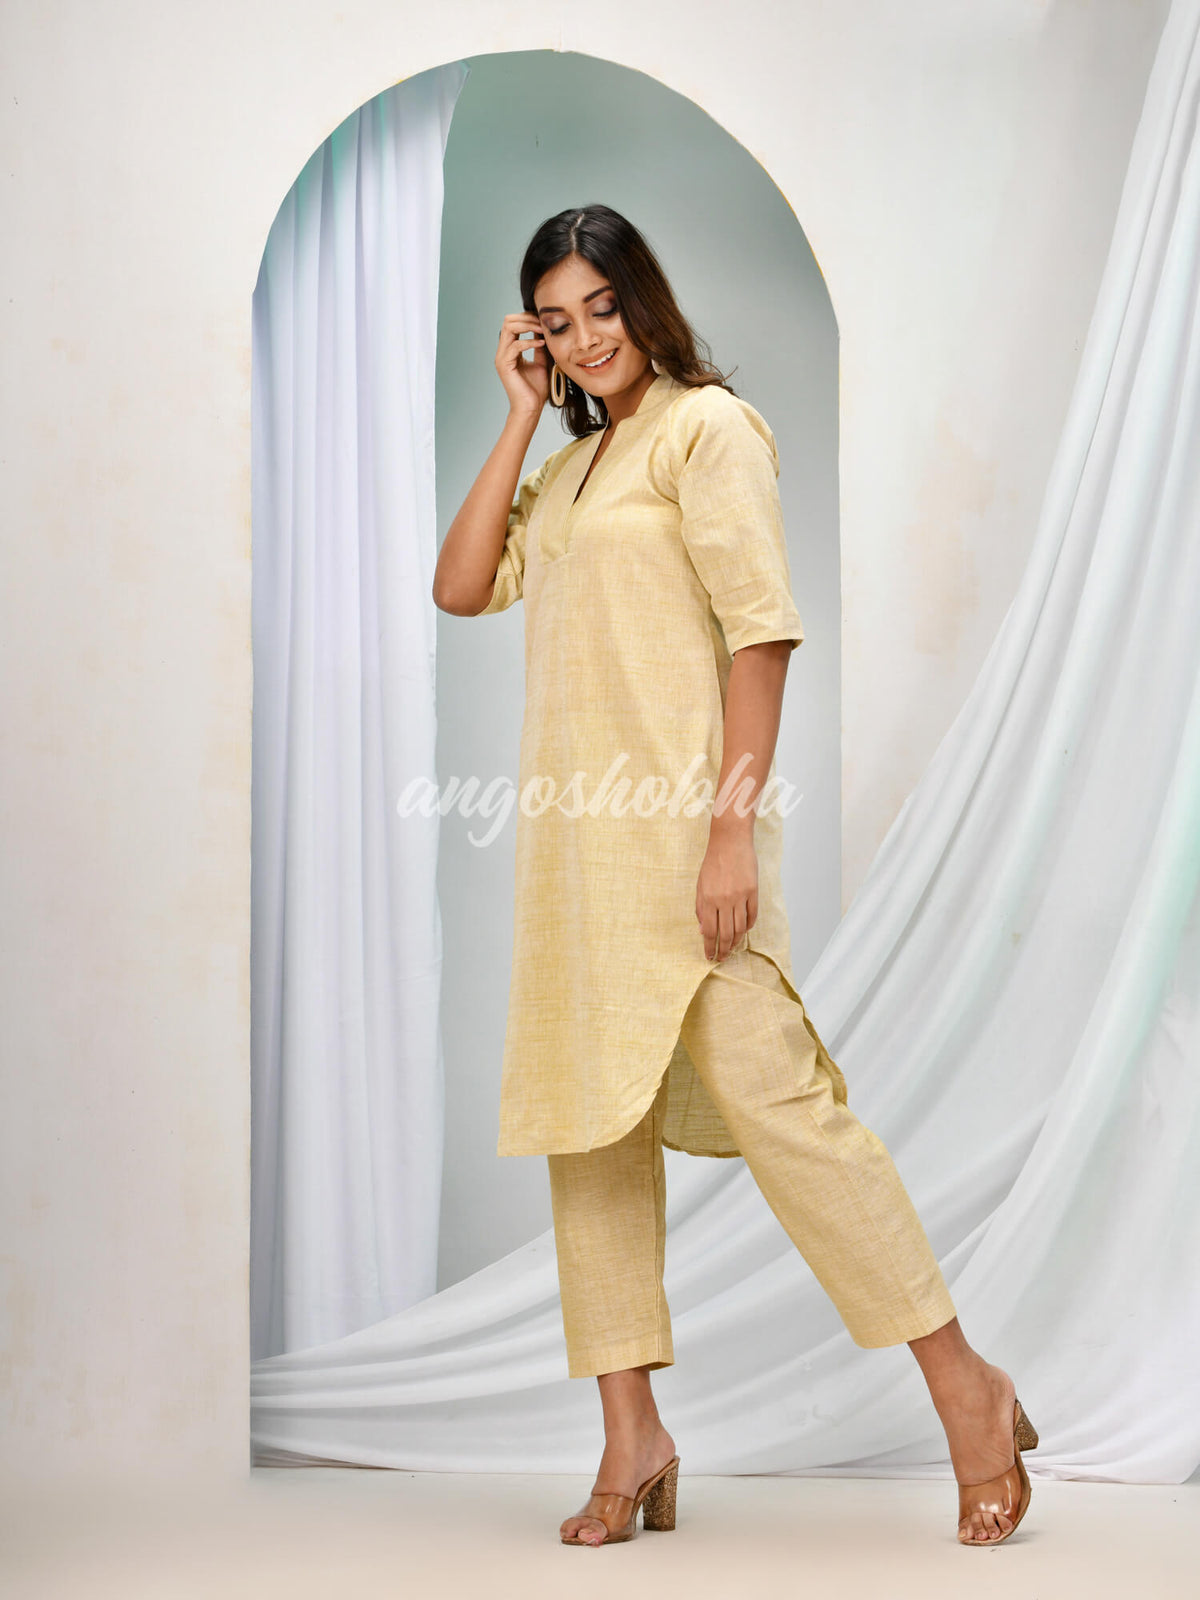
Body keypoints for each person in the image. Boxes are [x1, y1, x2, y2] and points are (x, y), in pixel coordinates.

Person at [432, 204, 1037, 1549]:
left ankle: (967, 1389)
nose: (586, 339)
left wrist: (727, 835)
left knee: (791, 1115)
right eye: (556, 321)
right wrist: (519, 416)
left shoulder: (708, 431)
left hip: (683, 850)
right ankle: (631, 1435)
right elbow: (461, 586)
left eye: (602, 307)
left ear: (643, 299)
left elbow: (760, 639)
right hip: (575, 861)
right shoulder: (571, 474)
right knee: (591, 1137)